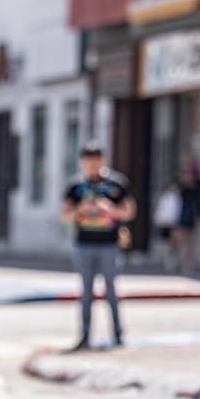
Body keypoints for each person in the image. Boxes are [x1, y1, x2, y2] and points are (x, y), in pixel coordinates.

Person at [61, 142, 137, 349]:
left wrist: (110, 209)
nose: (93, 164)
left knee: (111, 291)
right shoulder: (75, 186)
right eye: (89, 160)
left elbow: (130, 212)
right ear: (83, 161)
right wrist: (80, 209)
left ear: (103, 160)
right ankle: (85, 336)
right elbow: (65, 216)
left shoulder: (117, 183)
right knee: (86, 292)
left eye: (97, 159)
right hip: (84, 245)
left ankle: (118, 335)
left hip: (109, 244)